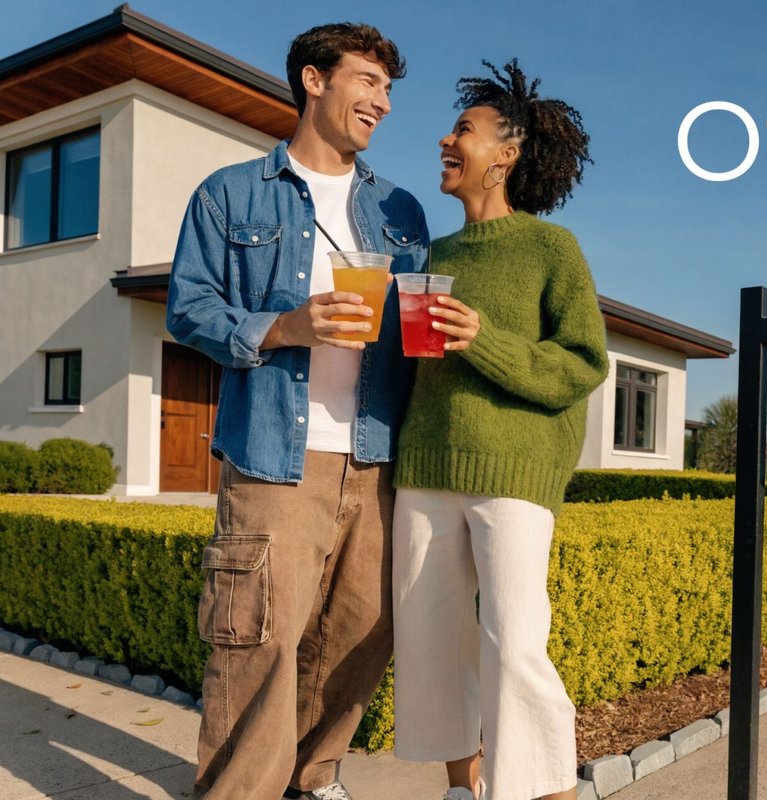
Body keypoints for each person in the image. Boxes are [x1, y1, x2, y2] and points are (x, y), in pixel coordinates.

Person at [165, 22, 428, 800]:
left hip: (378, 458)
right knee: (259, 644)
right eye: (367, 82)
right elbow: (188, 308)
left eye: (387, 89)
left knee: (355, 638)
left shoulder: (403, 211)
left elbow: (415, 318)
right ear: (314, 81)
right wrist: (284, 327)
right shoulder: (231, 193)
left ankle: (313, 781)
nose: (381, 102)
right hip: (277, 456)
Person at [390, 58, 606, 800]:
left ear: (506, 155)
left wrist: (481, 338)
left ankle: (549, 791)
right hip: (424, 466)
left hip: (514, 473)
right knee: (431, 639)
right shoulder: (433, 257)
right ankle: (462, 785)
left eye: (464, 129)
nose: (446, 140)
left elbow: (580, 365)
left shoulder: (551, 250)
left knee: (514, 644)